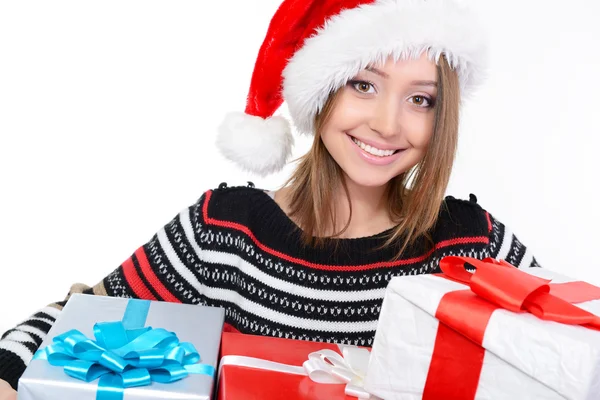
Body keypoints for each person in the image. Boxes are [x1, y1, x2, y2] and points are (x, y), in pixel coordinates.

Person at [0, 0, 541, 395]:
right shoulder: (227, 231)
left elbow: (568, 357)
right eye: (364, 85)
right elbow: (74, 321)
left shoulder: (471, 246)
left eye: (421, 99)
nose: (386, 124)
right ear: (320, 88)